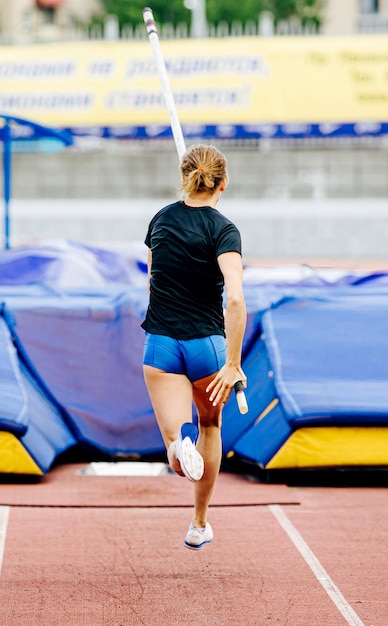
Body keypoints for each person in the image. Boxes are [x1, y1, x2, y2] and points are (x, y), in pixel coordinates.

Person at [141, 143, 247, 550]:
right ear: (223, 183)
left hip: (161, 346)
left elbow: (152, 279)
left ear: (184, 177)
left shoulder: (160, 220)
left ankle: (176, 449)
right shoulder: (224, 230)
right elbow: (235, 300)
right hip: (208, 348)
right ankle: (199, 523)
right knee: (210, 427)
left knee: (174, 442)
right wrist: (233, 363)